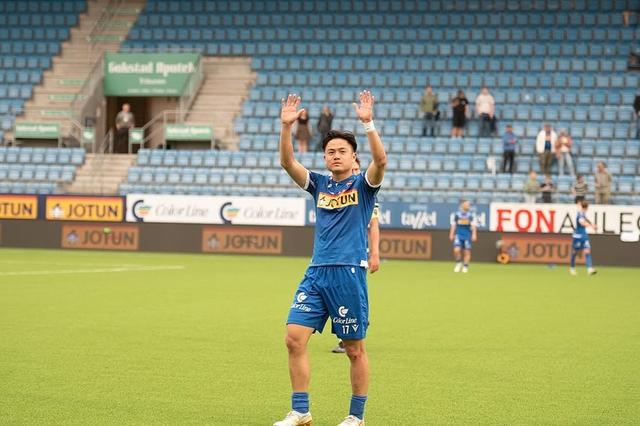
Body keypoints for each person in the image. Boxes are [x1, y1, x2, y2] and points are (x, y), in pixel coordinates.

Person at [274, 91, 386, 426]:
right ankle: (301, 411)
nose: (335, 156)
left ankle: (356, 416)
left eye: (342, 151)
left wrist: (368, 124)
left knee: (354, 350)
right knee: (293, 338)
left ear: (354, 158)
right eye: (330, 152)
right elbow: (288, 163)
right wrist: (286, 127)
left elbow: (381, 162)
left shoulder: (364, 186)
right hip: (316, 273)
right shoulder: (319, 185)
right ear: (324, 158)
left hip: (348, 274)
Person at [332, 156, 380, 355]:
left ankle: (352, 332)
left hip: (355, 254)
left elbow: (374, 225)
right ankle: (353, 325)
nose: (355, 173)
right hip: (334, 255)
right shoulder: (334, 192)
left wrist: (375, 253)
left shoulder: (366, 193)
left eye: (357, 170)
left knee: (353, 292)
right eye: (353, 170)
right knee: (337, 292)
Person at [570, 200, 597, 276]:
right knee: (574, 252)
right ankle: (572, 268)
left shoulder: (582, 213)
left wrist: (591, 224)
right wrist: (592, 226)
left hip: (584, 235)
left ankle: (590, 269)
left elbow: (585, 220)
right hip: (578, 236)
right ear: (587, 207)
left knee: (587, 251)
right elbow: (582, 223)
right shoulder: (580, 214)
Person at [449, 200, 477, 273]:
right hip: (459, 235)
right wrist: (451, 234)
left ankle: (465, 266)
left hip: (467, 236)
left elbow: (473, 226)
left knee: (467, 252)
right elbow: (453, 225)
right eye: (467, 204)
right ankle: (458, 263)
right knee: (456, 250)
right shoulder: (457, 215)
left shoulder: (471, 215)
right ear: (462, 205)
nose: (468, 206)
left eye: (469, 205)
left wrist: (474, 234)